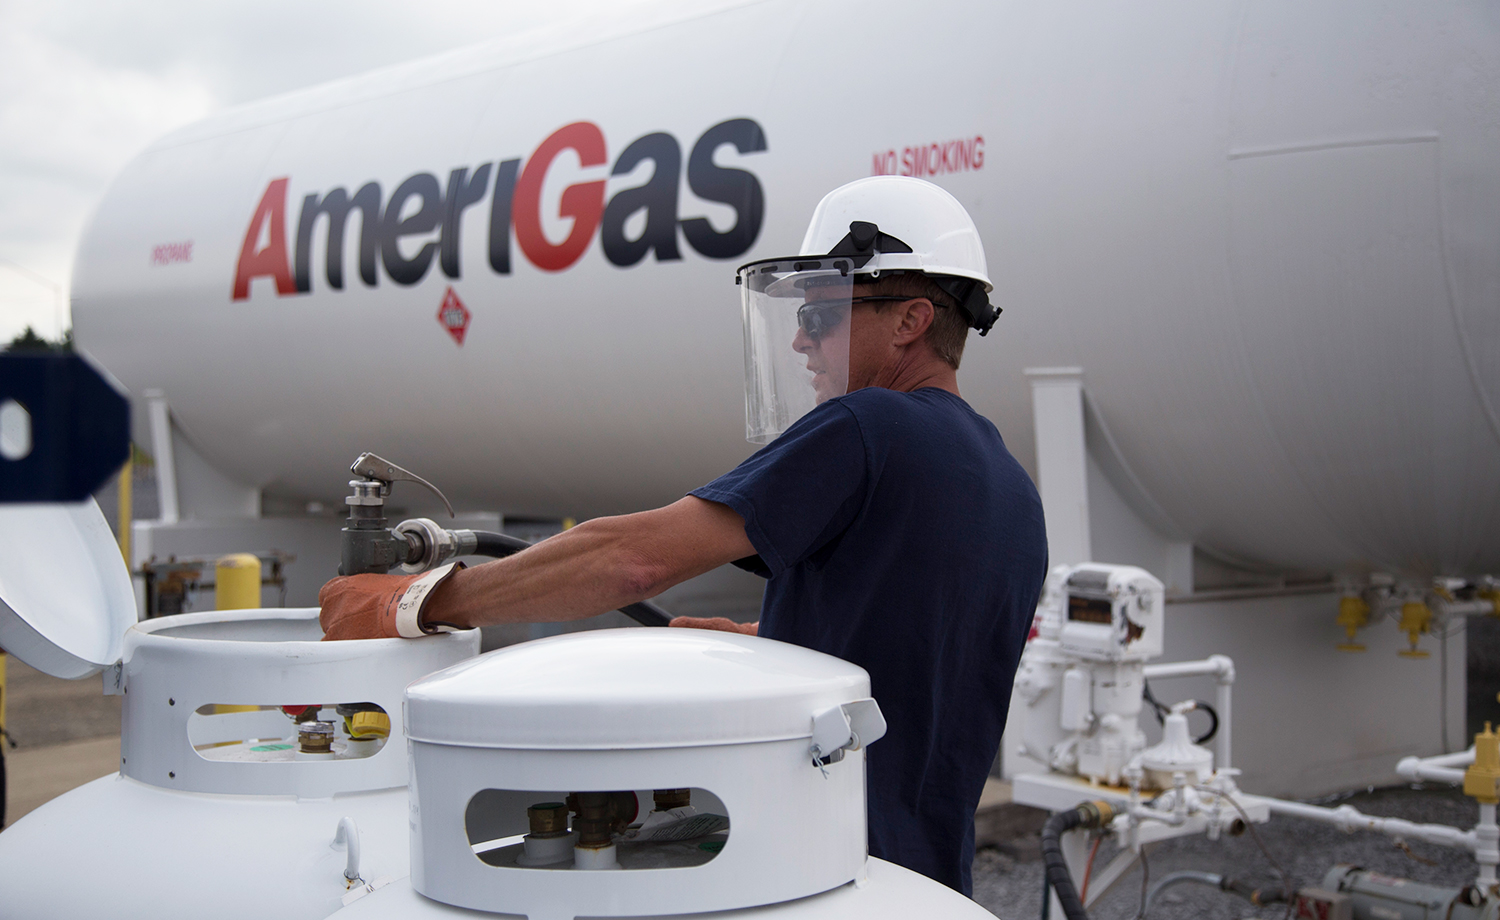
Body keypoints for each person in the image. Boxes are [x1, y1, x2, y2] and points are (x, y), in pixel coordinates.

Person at [317, 176, 1048, 896]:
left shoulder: (870, 427)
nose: (799, 338)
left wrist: (416, 603)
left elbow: (634, 560)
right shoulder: (1011, 488)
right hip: (923, 888)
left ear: (911, 320)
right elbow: (915, 655)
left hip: (811, 869)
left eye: (822, 314)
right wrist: (769, 639)